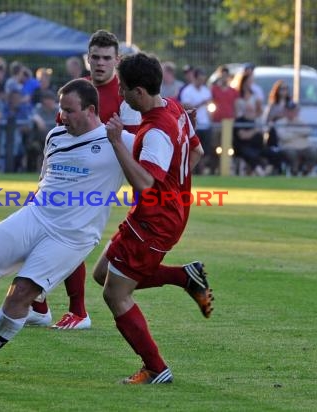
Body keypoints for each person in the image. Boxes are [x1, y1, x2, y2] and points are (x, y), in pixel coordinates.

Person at [0, 79, 136, 373]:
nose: (62, 116)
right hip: (37, 214)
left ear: (91, 110)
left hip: (72, 236)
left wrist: (183, 127)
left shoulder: (120, 140)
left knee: (21, 293)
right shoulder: (55, 136)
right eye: (61, 109)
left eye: (69, 110)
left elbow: (159, 158)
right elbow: (45, 180)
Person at [91, 52, 211, 384]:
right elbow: (197, 152)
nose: (121, 95)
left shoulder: (157, 131)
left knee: (115, 294)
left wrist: (117, 143)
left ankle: (156, 368)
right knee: (103, 274)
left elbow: (145, 184)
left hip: (154, 223)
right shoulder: (175, 108)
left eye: (124, 89)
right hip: (158, 215)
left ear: (139, 92)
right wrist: (173, 189)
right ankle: (185, 277)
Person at [26, 29, 142, 330]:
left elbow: (135, 143)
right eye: (95, 57)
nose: (100, 63)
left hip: (104, 176)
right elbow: (61, 137)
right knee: (37, 221)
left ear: (117, 60)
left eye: (106, 58)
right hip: (70, 175)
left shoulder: (126, 95)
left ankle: (76, 311)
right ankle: (39, 306)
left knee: (64, 230)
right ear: (86, 59)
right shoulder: (77, 91)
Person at [179, 68, 213, 174]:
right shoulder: (187, 91)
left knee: (206, 150)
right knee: (193, 149)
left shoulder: (206, 90)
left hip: (206, 124)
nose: (201, 82)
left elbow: (210, 106)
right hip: (193, 125)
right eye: (200, 79)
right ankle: (193, 170)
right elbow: (186, 106)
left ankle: (201, 170)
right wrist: (201, 103)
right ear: (195, 78)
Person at [274, 101, 317, 176]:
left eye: (293, 110)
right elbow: (283, 137)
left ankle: (307, 171)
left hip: (304, 146)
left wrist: (291, 130)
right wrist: (299, 133)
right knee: (292, 154)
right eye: (289, 111)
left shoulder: (300, 121)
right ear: (285, 111)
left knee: (313, 153)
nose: (291, 113)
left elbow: (308, 131)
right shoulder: (280, 122)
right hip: (288, 146)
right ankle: (294, 171)